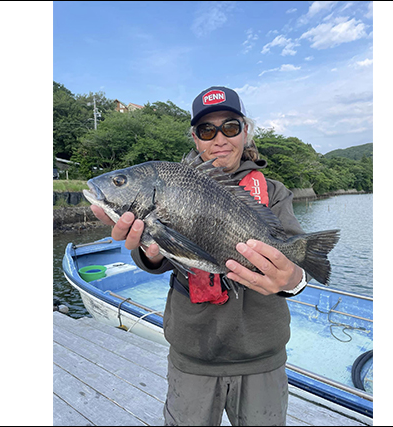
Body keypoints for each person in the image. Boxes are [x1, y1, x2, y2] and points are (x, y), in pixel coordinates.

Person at [90, 86, 309, 426]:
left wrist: (295, 280)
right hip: (193, 354)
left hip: (261, 356)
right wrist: (147, 251)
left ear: (245, 131)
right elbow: (160, 257)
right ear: (195, 138)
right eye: (207, 130)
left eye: (231, 127)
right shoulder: (172, 182)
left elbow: (294, 266)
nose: (219, 138)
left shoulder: (274, 193)